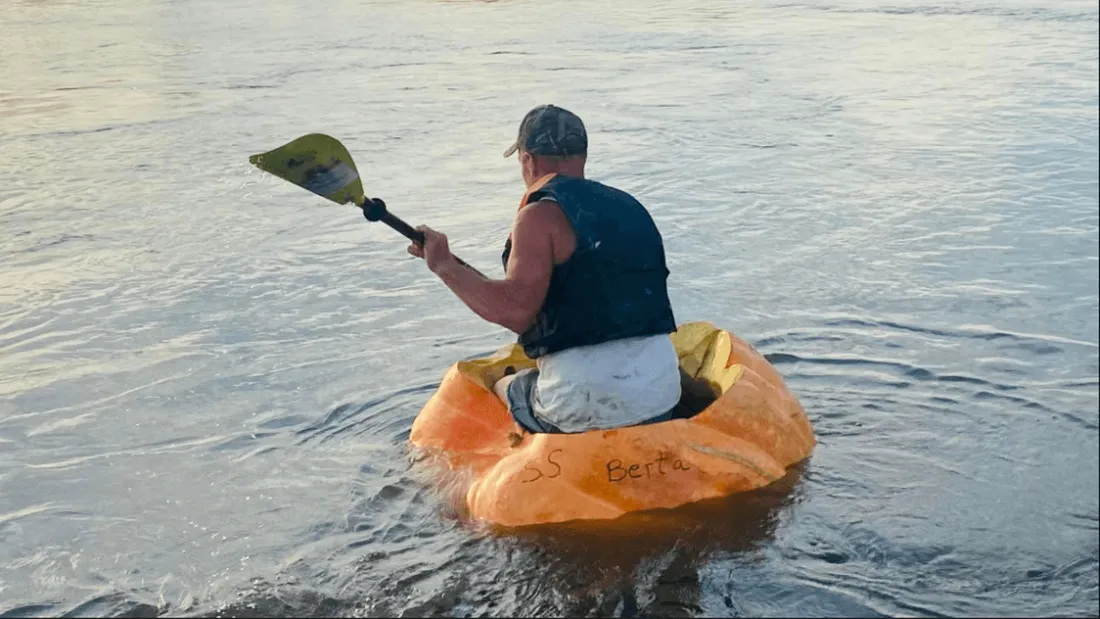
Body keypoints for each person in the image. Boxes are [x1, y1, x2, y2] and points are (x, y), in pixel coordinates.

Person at [406, 104, 681, 434]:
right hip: (661, 396)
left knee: (503, 385)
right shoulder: (631, 206)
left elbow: (515, 312)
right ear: (583, 155)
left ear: (528, 160)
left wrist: (443, 265)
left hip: (581, 404)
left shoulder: (537, 216)